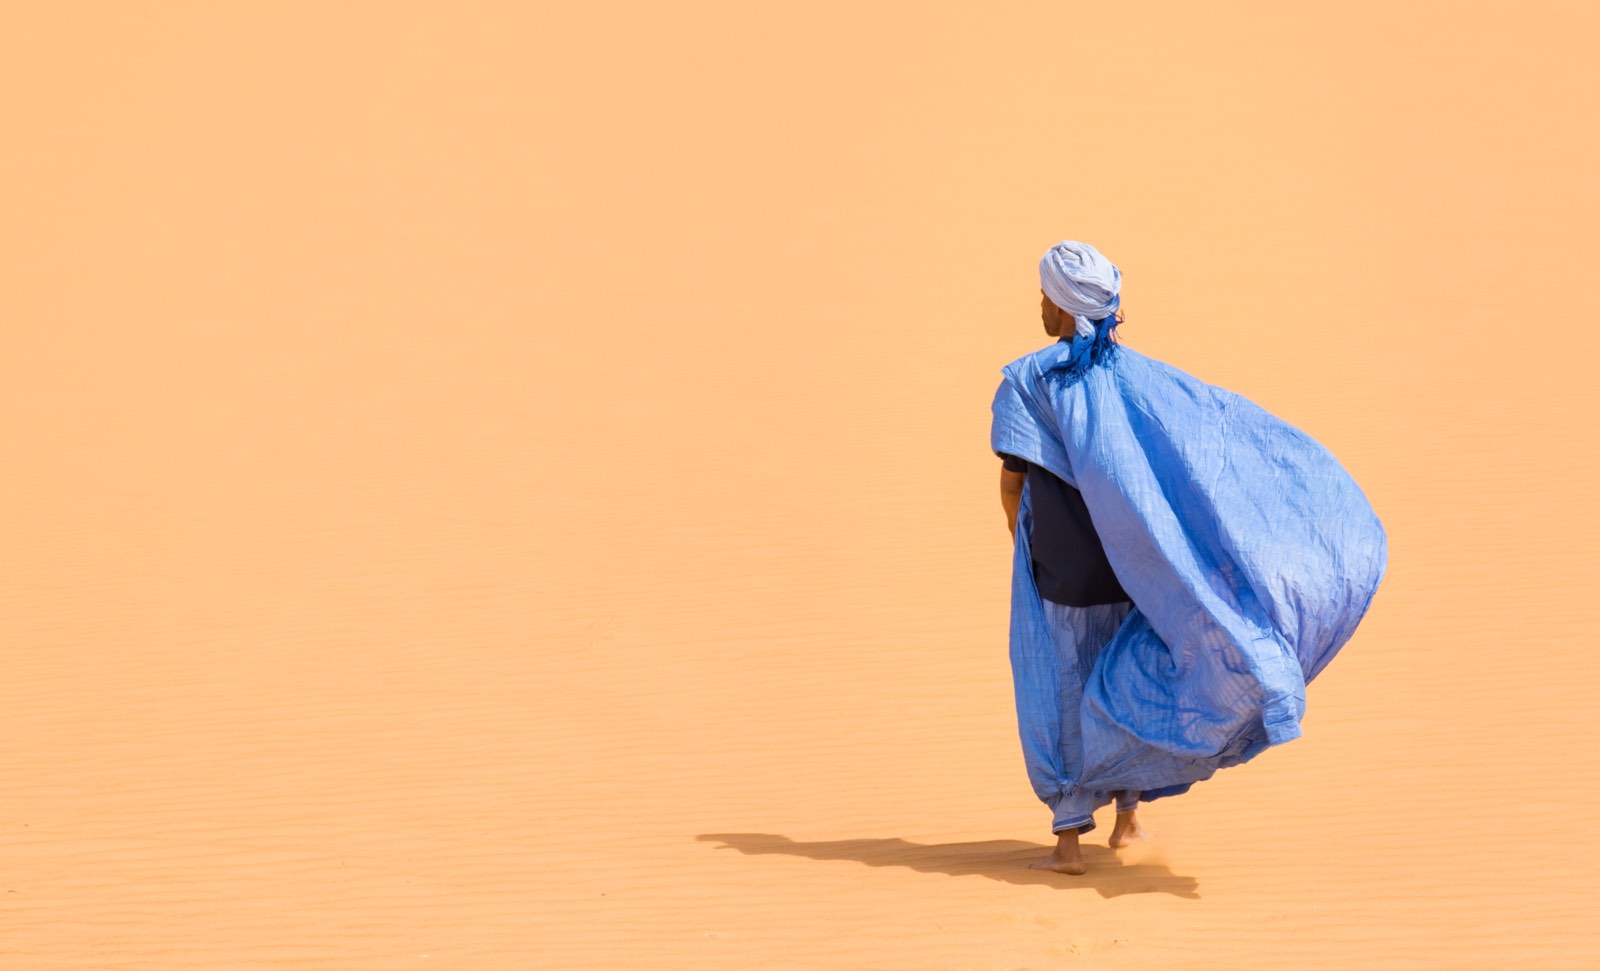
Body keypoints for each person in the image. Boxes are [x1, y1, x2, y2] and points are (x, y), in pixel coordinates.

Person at [992, 241, 1387, 874]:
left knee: (1061, 690)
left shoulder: (1026, 383)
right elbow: (1199, 450)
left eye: (1044, 296)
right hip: (1132, 574)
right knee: (1124, 681)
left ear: (1064, 307)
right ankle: (1127, 822)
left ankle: (1068, 841)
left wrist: (1024, 547)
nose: (1039, 305)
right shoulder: (1145, 382)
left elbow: (1013, 485)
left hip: (1060, 575)